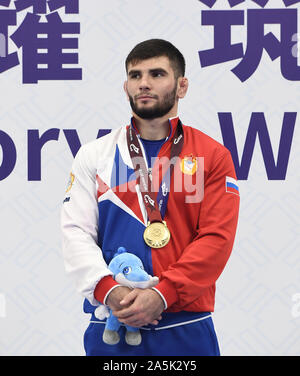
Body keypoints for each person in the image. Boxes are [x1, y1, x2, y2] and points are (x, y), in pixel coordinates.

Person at [61, 39, 240, 356]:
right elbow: (75, 232)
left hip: (184, 327)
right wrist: (109, 289)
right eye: (135, 75)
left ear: (182, 86)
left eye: (157, 74)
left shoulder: (213, 156)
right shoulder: (95, 155)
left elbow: (216, 237)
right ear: (125, 86)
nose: (144, 83)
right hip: (111, 327)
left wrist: (164, 293)